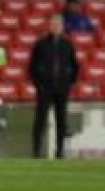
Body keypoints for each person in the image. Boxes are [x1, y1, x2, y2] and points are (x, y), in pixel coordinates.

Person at [28, 14, 80, 159]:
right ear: (49, 26)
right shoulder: (41, 44)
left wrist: (69, 83)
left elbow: (75, 66)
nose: (55, 26)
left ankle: (60, 151)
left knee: (61, 120)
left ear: (62, 27)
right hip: (45, 88)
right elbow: (32, 67)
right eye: (53, 24)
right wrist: (39, 84)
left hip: (62, 88)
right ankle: (36, 150)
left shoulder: (67, 44)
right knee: (40, 119)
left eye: (58, 24)